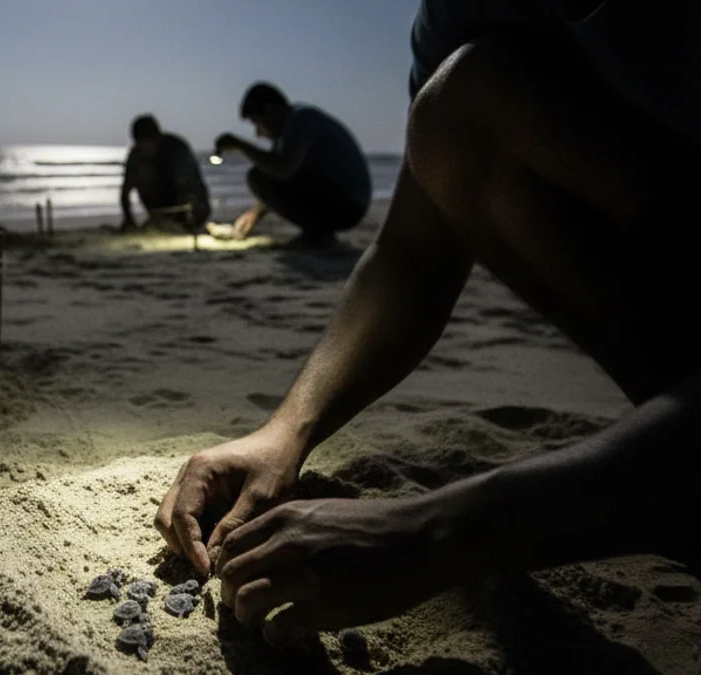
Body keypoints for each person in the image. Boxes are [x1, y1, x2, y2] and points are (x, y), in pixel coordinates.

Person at [155, 0, 701, 636]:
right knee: (456, 108)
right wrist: (285, 431)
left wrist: (435, 533)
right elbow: (411, 252)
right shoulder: (462, 15)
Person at [210, 82, 371, 249]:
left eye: (257, 122)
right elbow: (285, 174)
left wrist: (241, 145)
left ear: (271, 110)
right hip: (346, 200)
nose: (258, 133)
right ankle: (318, 232)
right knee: (262, 175)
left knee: (257, 177)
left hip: (346, 205)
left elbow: (283, 169)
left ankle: (318, 234)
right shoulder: (292, 127)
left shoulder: (301, 120)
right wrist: (254, 214)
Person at [120, 115, 211, 232]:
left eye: (149, 144)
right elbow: (125, 192)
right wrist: (129, 220)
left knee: (187, 191)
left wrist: (175, 218)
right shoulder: (135, 155)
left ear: (158, 138)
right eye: (141, 145)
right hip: (159, 212)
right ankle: (161, 220)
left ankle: (176, 222)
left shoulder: (177, 149)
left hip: (193, 207)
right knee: (141, 172)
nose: (146, 150)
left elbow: (189, 186)